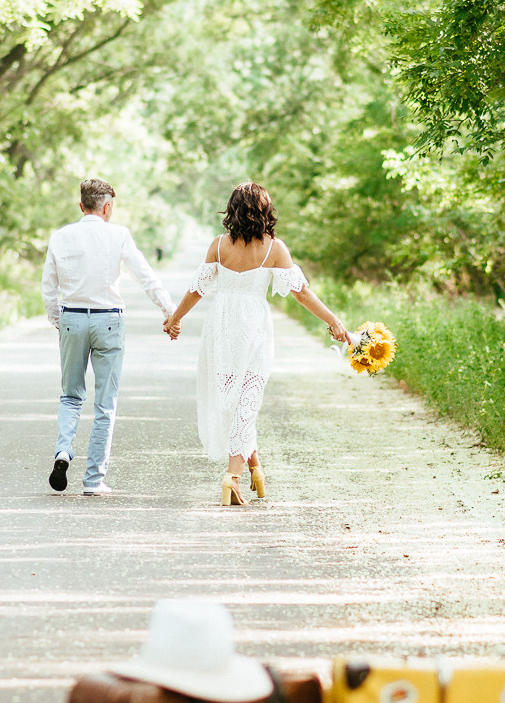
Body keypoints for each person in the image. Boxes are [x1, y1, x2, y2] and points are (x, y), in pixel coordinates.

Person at [162, 182, 349, 505]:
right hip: (254, 331)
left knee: (236, 402)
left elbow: (196, 290)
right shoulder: (274, 248)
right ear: (264, 210)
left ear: (233, 209)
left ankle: (255, 469)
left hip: (221, 329)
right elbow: (302, 293)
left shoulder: (218, 246)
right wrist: (335, 322)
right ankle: (232, 477)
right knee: (246, 402)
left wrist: (175, 319)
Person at [42, 178, 174, 496]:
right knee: (105, 404)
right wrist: (170, 310)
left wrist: (59, 320)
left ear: (81, 205)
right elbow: (145, 276)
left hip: (72, 318)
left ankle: (63, 451)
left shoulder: (60, 237)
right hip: (109, 322)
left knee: (70, 395)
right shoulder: (118, 235)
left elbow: (49, 287)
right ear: (108, 208)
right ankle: (93, 480)